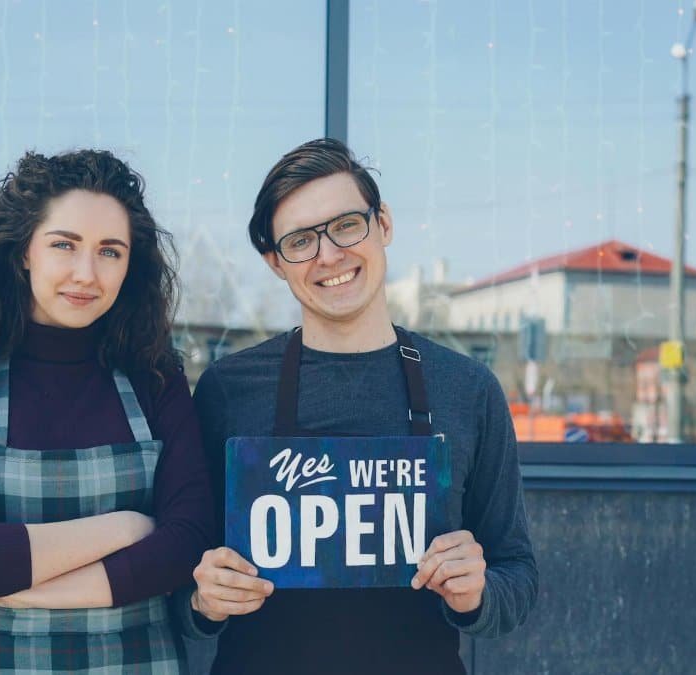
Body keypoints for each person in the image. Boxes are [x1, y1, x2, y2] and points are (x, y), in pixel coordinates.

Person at [178, 138, 538, 674]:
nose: (329, 255)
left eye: (346, 225)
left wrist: (478, 591)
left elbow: (518, 574)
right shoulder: (228, 389)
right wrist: (203, 601)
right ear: (276, 263)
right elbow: (179, 587)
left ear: (383, 224)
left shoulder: (468, 388)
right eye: (301, 241)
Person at [0, 149, 213, 674]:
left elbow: (189, 541)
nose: (85, 273)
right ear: (25, 251)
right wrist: (129, 527)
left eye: (110, 251)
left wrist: (20, 588)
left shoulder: (153, 376)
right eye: (64, 245)